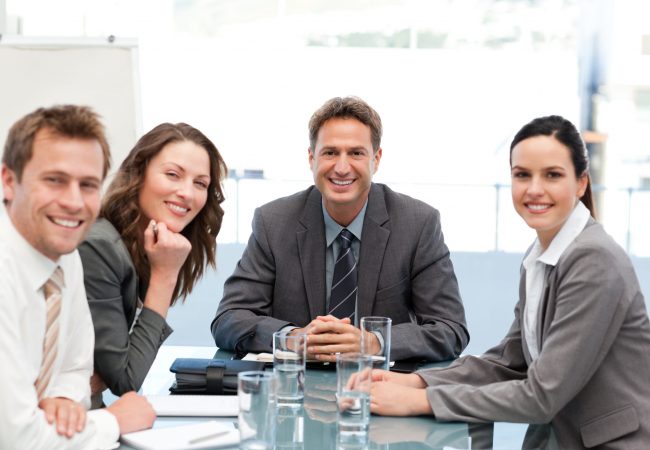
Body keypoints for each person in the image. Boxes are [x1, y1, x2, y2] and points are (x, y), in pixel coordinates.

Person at [369, 115, 650, 448]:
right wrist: (416, 381)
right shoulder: (542, 255)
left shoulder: (594, 261)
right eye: (522, 175)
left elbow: (541, 396)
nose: (534, 189)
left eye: (552, 175)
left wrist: (421, 400)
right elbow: (509, 363)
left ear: (581, 183)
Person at [212, 96, 468, 362]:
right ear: (312, 159)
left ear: (376, 159)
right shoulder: (273, 222)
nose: (342, 168)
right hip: (295, 388)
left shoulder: (417, 223)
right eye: (330, 153)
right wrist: (292, 338)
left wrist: (374, 342)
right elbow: (229, 319)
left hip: (381, 390)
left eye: (356, 153)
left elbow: (450, 329)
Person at [0, 105, 155, 449]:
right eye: (55, 180)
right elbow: (15, 438)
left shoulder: (65, 256)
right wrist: (113, 421)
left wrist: (63, 400)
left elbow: (75, 368)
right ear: (9, 180)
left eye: (87, 185)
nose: (73, 202)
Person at [78, 123, 226, 407]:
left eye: (200, 183)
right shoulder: (100, 246)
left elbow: (115, 373)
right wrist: (165, 275)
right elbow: (127, 379)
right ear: (139, 172)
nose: (187, 192)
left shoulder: (137, 247)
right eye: (173, 175)